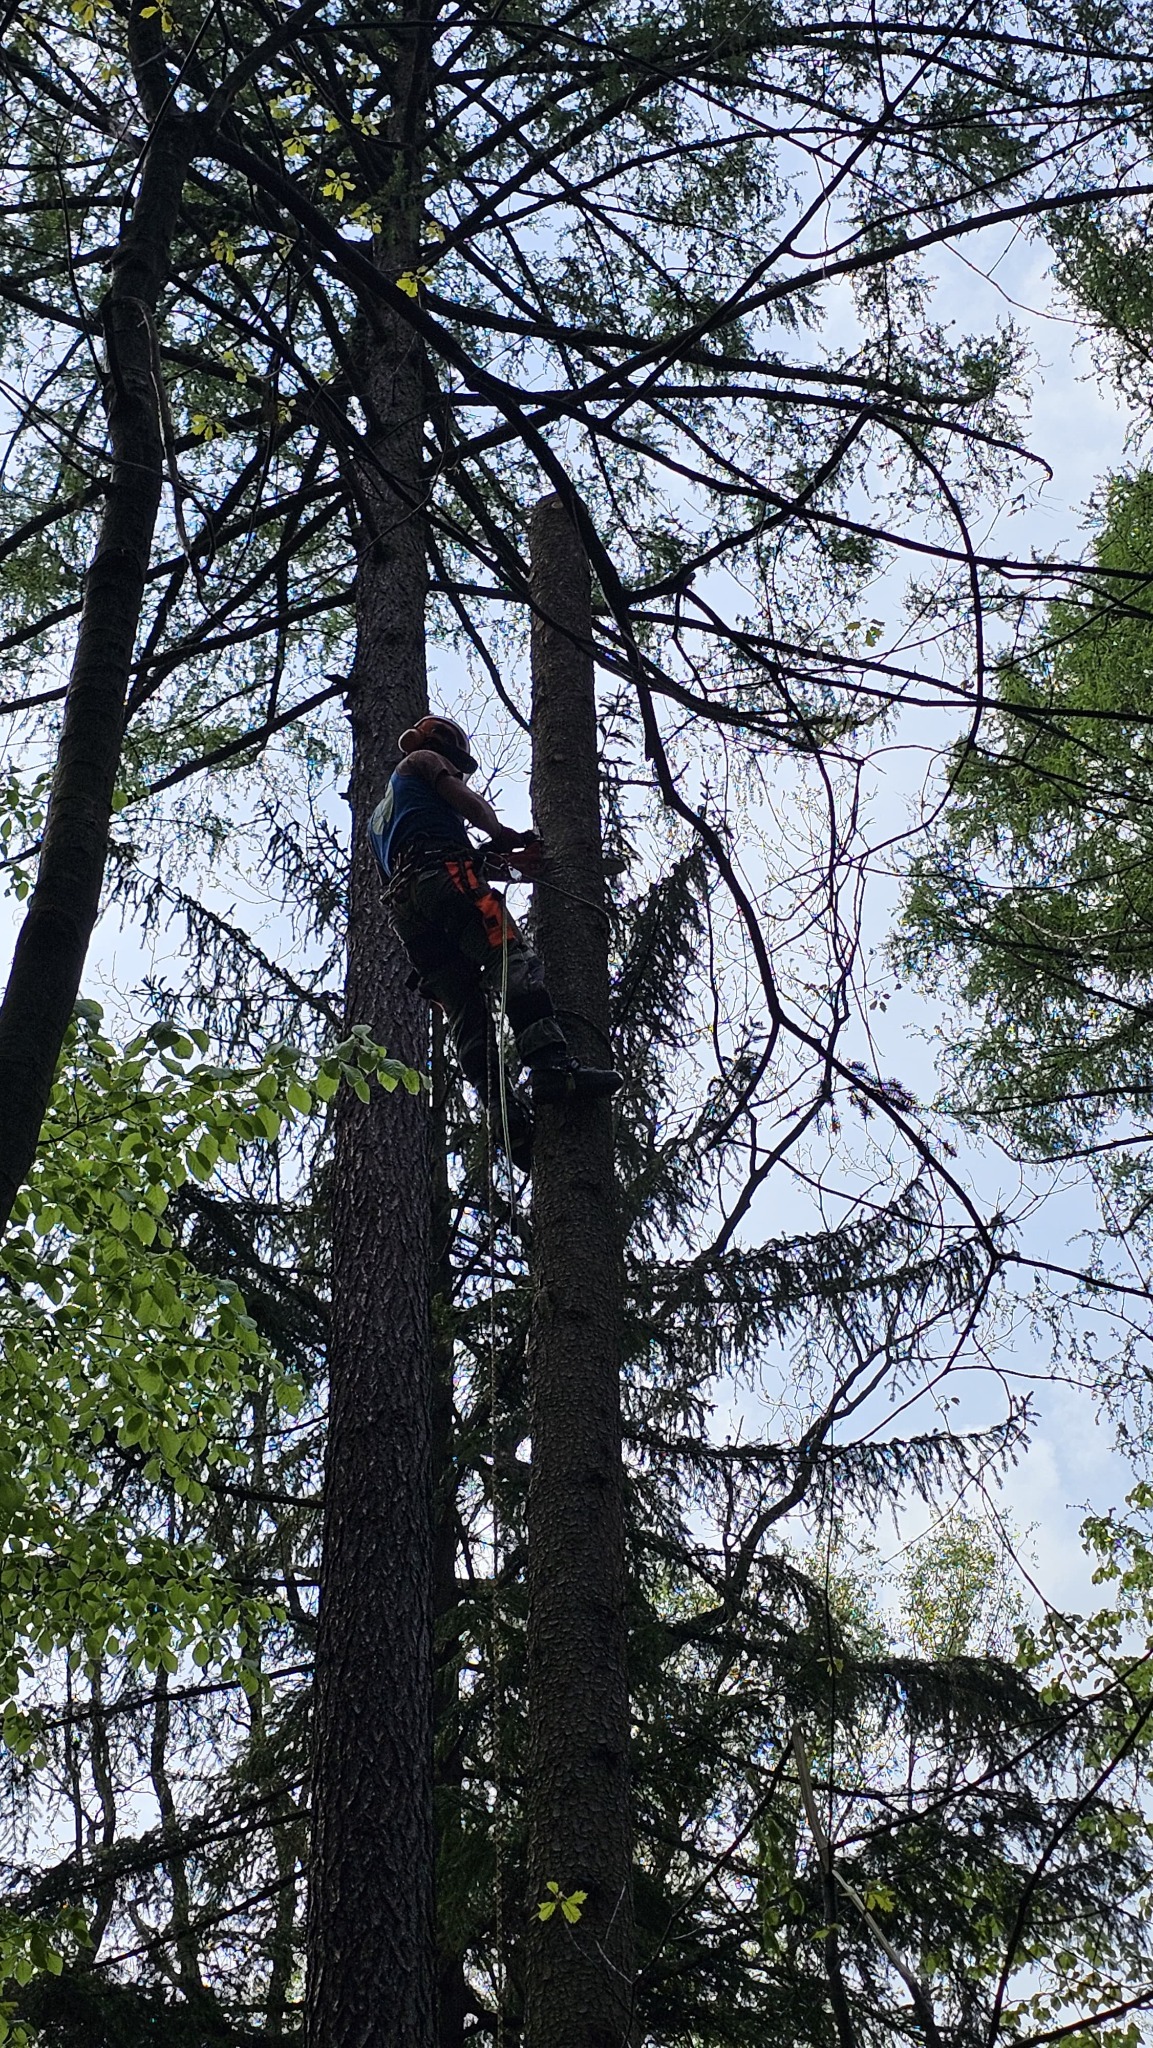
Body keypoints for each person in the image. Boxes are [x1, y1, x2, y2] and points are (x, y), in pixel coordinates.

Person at [368, 713, 620, 1170]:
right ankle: (552, 1068)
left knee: (468, 1015)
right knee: (511, 956)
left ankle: (509, 1125)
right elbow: (464, 808)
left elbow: (440, 859)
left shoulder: (383, 816)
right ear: (442, 750)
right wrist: (503, 834)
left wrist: (510, 864)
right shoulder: (422, 762)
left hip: (411, 915)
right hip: (443, 880)